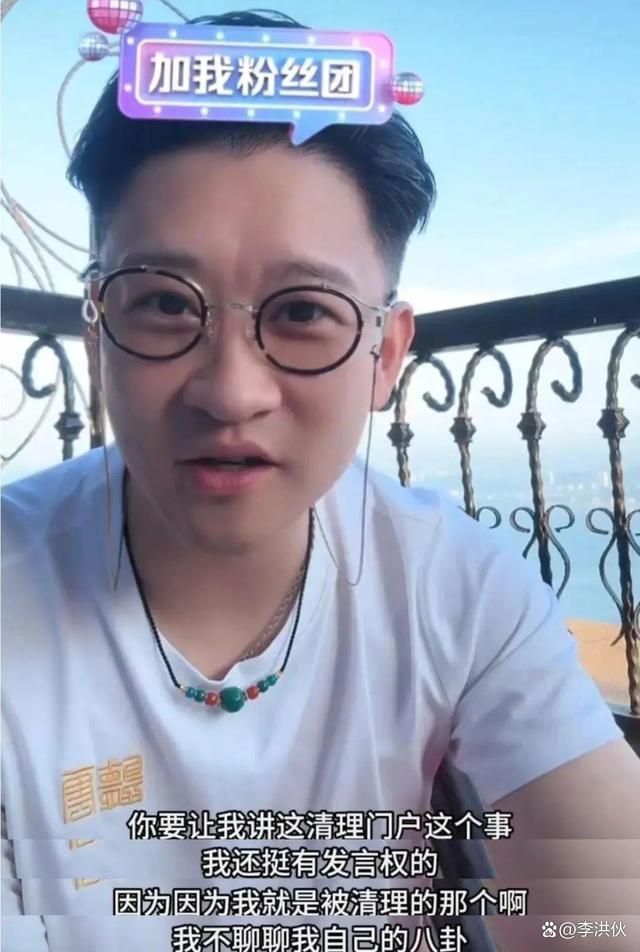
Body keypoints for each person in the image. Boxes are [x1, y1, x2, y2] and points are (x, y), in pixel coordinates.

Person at [3, 9, 639, 952]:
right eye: (164, 303)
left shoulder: (455, 585)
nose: (231, 390)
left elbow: (605, 904)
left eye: (303, 312)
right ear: (97, 336)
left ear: (387, 354)